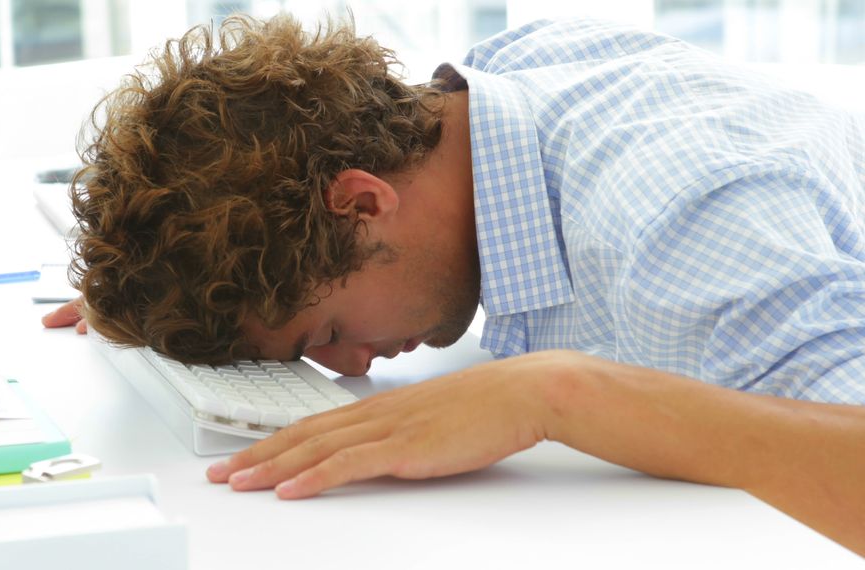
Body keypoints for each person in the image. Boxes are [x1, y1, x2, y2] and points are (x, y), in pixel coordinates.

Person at [42, 15, 865, 555]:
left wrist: (560, 396)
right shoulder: (485, 100)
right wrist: (170, 288)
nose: (357, 366)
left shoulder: (677, 223)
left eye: (325, 336)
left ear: (363, 201)